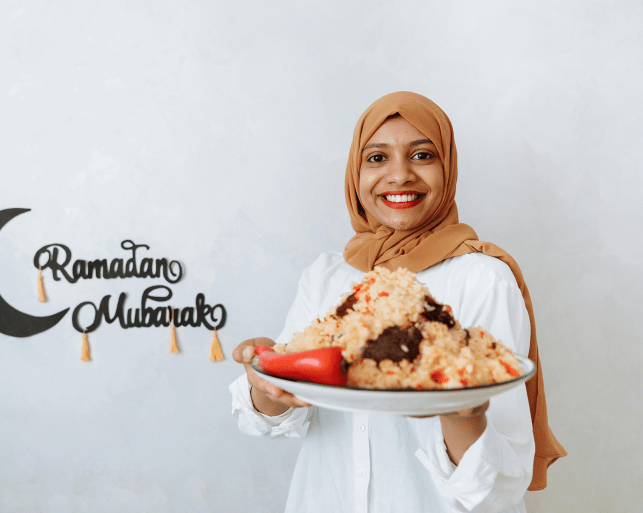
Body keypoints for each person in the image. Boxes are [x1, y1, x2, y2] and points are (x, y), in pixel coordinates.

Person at [229, 92, 566, 512]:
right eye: (377, 158)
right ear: (355, 172)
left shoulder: (483, 278)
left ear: (448, 167)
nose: (400, 175)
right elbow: (276, 418)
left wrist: (463, 411)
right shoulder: (327, 276)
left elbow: (499, 487)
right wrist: (268, 373)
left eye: (422, 155)